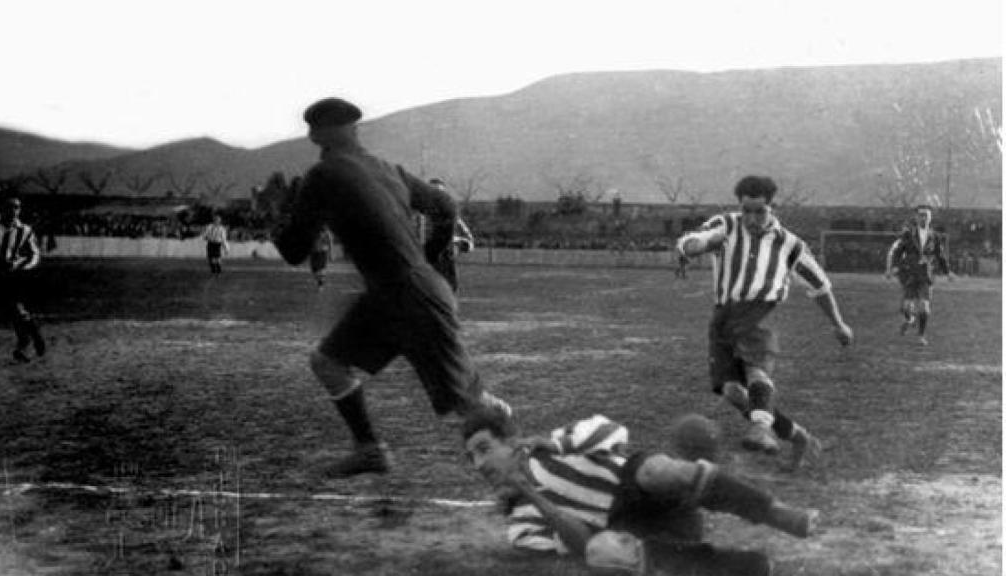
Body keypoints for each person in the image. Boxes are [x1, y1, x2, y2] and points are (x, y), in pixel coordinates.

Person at [272, 97, 511, 478]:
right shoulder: (388, 169)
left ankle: (537, 475)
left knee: (471, 408)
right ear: (355, 128)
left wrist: (279, 215)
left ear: (318, 134)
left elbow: (292, 250)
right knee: (328, 362)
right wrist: (429, 260)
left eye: (313, 129)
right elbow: (445, 207)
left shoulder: (324, 174)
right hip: (398, 293)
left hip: (406, 295)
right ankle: (369, 451)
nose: (311, 135)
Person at [463, 408, 817, 576]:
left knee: (657, 469)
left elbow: (612, 432)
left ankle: (774, 512)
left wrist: (558, 444)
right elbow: (582, 544)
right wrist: (533, 496)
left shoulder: (554, 445)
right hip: (634, 528)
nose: (479, 464)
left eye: (483, 448)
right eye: (471, 457)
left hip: (635, 481)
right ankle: (740, 566)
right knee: (605, 552)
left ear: (511, 442)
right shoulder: (520, 528)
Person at [676, 175, 853, 469]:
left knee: (756, 371)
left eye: (760, 211)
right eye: (746, 210)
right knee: (732, 391)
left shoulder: (790, 244)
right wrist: (692, 246)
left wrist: (838, 323)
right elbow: (696, 239)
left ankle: (760, 429)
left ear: (772, 208)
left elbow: (820, 285)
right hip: (723, 317)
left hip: (763, 313)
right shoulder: (726, 225)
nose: (752, 218)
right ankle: (798, 437)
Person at [0, 196, 46, 363]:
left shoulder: (24, 230)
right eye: (10, 207)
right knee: (8, 310)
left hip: (12, 275)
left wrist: (22, 265)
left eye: (17, 207)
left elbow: (34, 254)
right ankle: (32, 334)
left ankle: (25, 343)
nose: (13, 211)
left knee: (14, 308)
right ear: (2, 209)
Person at [884, 205, 954, 346]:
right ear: (916, 217)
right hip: (909, 274)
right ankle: (910, 320)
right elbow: (898, 251)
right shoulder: (908, 234)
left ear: (930, 218)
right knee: (905, 307)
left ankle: (921, 335)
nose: (924, 218)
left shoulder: (934, 236)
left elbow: (940, 256)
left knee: (924, 306)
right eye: (921, 215)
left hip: (925, 275)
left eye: (926, 215)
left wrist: (947, 272)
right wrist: (894, 267)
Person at [426, 178, 475, 293]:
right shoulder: (419, 217)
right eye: (433, 192)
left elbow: (469, 242)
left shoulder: (453, 218)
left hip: (447, 264)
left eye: (440, 193)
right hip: (424, 266)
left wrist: (457, 241)